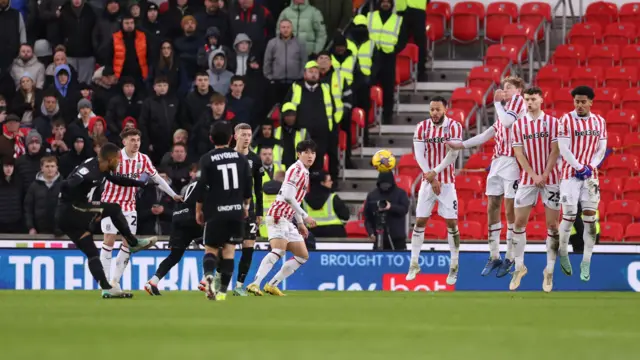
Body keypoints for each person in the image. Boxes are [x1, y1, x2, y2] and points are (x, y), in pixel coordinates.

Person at [55, 142, 158, 298]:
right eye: (118, 159)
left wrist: (139, 183)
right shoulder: (89, 171)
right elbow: (68, 184)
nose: (119, 162)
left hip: (67, 218)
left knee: (91, 252)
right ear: (110, 159)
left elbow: (117, 179)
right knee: (114, 208)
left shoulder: (102, 168)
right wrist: (69, 185)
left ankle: (106, 287)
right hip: (74, 209)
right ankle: (133, 243)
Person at [447, 76, 526, 277]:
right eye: (503, 87)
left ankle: (509, 256)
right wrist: (461, 144)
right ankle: (494, 255)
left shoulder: (518, 104)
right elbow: (486, 135)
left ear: (519, 90)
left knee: (509, 210)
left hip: (512, 162)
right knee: (492, 205)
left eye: (509, 88)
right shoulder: (505, 111)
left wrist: (497, 103)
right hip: (498, 162)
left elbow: (508, 122)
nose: (505, 90)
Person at [100, 127, 182, 292]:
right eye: (132, 140)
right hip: (110, 203)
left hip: (130, 206)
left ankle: (115, 282)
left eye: (138, 140)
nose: (136, 143)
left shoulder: (143, 159)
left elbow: (156, 178)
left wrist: (173, 195)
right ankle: (104, 283)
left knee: (128, 244)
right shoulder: (115, 157)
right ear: (124, 142)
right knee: (109, 240)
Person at [247, 140, 318, 296]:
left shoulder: (304, 172)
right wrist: (305, 217)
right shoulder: (296, 170)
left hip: (288, 217)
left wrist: (299, 223)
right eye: (306, 152)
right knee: (278, 250)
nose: (310, 156)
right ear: (299, 154)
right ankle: (255, 283)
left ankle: (272, 285)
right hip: (278, 215)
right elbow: (287, 196)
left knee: (302, 256)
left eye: (312, 153)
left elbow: (296, 200)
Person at [509, 87, 561, 291]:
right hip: (527, 178)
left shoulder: (553, 123)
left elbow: (555, 150)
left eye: (533, 99)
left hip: (551, 178)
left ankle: (549, 271)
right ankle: (520, 267)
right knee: (519, 222)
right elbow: (519, 154)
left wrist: (545, 174)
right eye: (526, 99)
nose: (529, 102)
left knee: (552, 226)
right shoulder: (519, 125)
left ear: (541, 99)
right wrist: (533, 175)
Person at [195, 121, 253, 301]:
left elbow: (201, 187)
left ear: (211, 138)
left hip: (215, 212)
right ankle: (222, 293)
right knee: (229, 251)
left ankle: (209, 276)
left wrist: (198, 210)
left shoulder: (207, 159)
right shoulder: (241, 158)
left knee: (210, 250)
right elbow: (247, 187)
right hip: (236, 211)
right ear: (230, 138)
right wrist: (245, 207)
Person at [406, 96, 462, 283]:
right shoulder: (422, 127)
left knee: (451, 225)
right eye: (432, 110)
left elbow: (452, 155)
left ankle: (454, 265)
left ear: (445, 109)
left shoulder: (454, 126)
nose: (434, 113)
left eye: (438, 109)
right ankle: (414, 263)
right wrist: (431, 177)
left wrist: (435, 174)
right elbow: (419, 154)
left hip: (446, 183)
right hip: (428, 181)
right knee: (420, 221)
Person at [557, 85, 607, 282]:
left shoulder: (599, 121)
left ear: (591, 102)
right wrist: (579, 167)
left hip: (590, 176)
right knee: (569, 216)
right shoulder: (566, 120)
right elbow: (564, 148)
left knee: (590, 219)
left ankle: (586, 261)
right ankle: (563, 251)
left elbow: (601, 148)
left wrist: (590, 167)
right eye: (576, 101)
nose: (579, 105)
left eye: (583, 101)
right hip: (569, 175)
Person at [212, 123, 263, 296]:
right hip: (229, 208)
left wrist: (260, 212)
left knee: (249, 246)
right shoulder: (227, 156)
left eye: (249, 135)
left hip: (250, 210)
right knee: (226, 247)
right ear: (235, 136)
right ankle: (219, 275)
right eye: (243, 135)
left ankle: (239, 285)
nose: (247, 138)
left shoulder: (255, 159)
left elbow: (258, 188)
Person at [144, 169, 202, 296]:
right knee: (215, 249)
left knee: (174, 256)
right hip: (194, 220)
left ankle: (153, 281)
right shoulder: (209, 184)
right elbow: (201, 202)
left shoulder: (190, 185)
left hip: (179, 218)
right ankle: (207, 281)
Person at [284, 61, 342, 181]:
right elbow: (288, 108)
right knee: (301, 161)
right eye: (311, 72)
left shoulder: (325, 88)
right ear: (305, 74)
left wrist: (331, 127)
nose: (314, 74)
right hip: (302, 132)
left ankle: (327, 183)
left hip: (323, 132)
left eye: (316, 72)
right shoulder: (296, 87)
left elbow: (333, 108)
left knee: (320, 161)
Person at [368, 0, 406, 124]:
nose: (385, 4)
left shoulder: (398, 20)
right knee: (369, 88)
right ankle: (370, 117)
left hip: (389, 57)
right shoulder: (370, 16)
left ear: (391, 4)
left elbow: (403, 38)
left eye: (388, 2)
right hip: (371, 57)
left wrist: (395, 49)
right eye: (383, 2)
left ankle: (387, 117)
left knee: (388, 89)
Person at [263, 19, 306, 114]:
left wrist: (300, 77)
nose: (285, 30)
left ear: (292, 28)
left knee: (293, 109)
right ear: (279, 28)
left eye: (288, 27)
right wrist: (270, 77)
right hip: (277, 83)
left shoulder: (299, 43)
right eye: (283, 27)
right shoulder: (272, 43)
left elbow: (304, 62)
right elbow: (267, 61)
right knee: (277, 110)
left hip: (294, 83)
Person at [139, 76, 180, 164]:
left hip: (172, 142)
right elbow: (143, 123)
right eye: (159, 85)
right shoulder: (148, 102)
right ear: (154, 87)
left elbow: (179, 120)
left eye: (165, 85)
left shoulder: (174, 100)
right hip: (155, 144)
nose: (162, 88)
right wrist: (147, 142)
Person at [364, 171, 409, 250]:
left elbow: (404, 210)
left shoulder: (400, 193)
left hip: (397, 238)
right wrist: (370, 232)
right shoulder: (372, 195)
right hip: (379, 237)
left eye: (387, 184)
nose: (385, 186)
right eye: (382, 184)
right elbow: (367, 217)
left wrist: (391, 207)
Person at [55, 0, 97, 84]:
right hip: (69, 52)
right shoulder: (64, 10)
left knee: (85, 83)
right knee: (70, 81)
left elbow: (95, 31)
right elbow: (59, 30)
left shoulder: (90, 10)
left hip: (87, 53)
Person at [24, 155, 63, 235]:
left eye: (52, 166)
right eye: (47, 166)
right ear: (42, 168)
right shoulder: (34, 186)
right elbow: (28, 209)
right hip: (39, 231)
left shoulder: (64, 185)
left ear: (56, 168)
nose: (50, 169)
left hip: (59, 232)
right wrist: (31, 227)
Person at [303, 171, 349, 237]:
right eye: (329, 180)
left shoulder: (304, 199)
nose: (332, 182)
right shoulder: (332, 197)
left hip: (312, 233)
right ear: (322, 183)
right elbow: (345, 216)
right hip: (334, 233)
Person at [395, 0, 426, 80]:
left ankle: (421, 72)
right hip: (401, 9)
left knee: (420, 43)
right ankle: (400, 71)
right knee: (398, 43)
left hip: (417, 9)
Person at [273, 102, 309, 168]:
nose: (290, 118)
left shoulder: (303, 132)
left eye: (292, 115)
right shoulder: (276, 131)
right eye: (287, 115)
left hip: (298, 169)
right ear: (283, 116)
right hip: (280, 170)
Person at [0, 0, 26, 76]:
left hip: (14, 57)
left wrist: (23, 45)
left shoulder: (16, 14)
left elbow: (22, 30)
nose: (3, 1)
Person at [0, 156, 23, 233]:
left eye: (11, 166)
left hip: (16, 223)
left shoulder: (19, 182)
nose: (8, 169)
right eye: (6, 166)